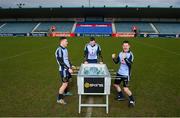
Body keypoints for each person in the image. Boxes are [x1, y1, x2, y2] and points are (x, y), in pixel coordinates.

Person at [112, 40, 135, 107]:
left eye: (126, 46)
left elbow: (130, 64)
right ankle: (121, 96)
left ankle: (132, 100)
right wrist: (113, 58)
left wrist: (125, 58)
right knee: (116, 85)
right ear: (122, 46)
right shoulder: (120, 53)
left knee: (125, 89)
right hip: (119, 72)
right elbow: (116, 62)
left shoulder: (130, 54)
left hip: (126, 74)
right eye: (124, 46)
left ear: (129, 46)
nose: (125, 47)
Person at [55, 37, 73, 105]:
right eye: (66, 41)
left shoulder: (65, 49)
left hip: (67, 69)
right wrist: (68, 68)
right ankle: (59, 99)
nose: (67, 42)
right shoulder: (59, 50)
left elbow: (67, 59)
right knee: (64, 84)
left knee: (67, 81)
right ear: (62, 42)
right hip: (63, 70)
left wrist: (71, 65)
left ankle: (65, 92)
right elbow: (61, 62)